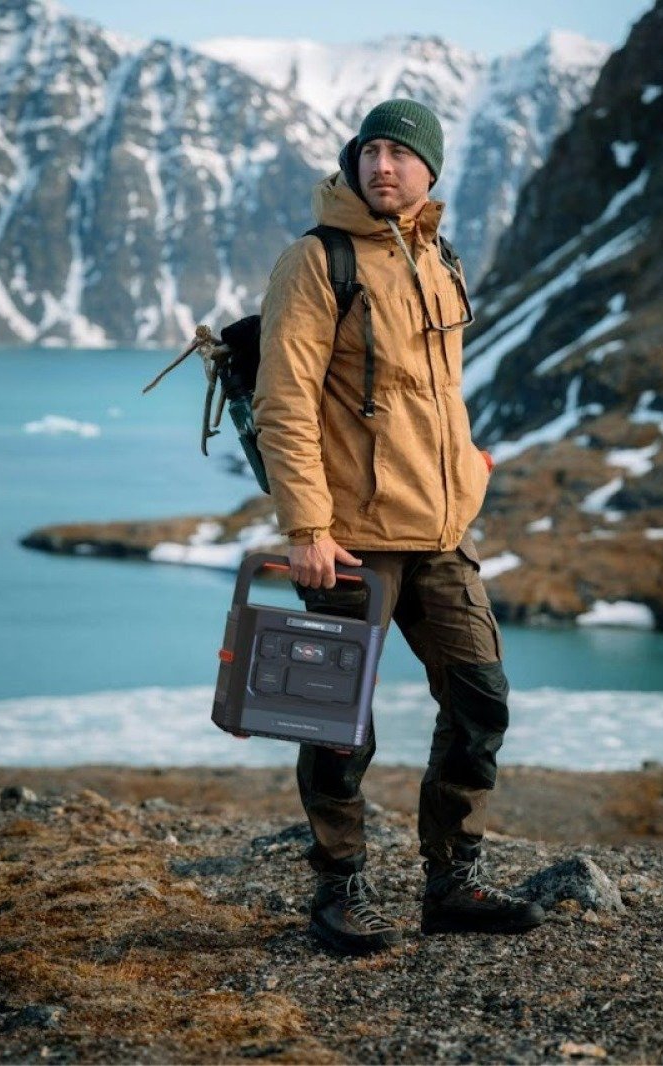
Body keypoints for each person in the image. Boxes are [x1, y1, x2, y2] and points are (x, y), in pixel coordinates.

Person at [254, 98, 547, 956]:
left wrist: (466, 464)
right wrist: (306, 527)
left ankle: (451, 883)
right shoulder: (317, 261)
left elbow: (436, 395)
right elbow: (285, 403)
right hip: (349, 537)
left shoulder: (437, 256)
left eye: (400, 153)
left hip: (440, 532)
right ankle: (338, 891)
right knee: (337, 718)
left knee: (480, 699)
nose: (382, 166)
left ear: (430, 170)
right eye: (369, 151)